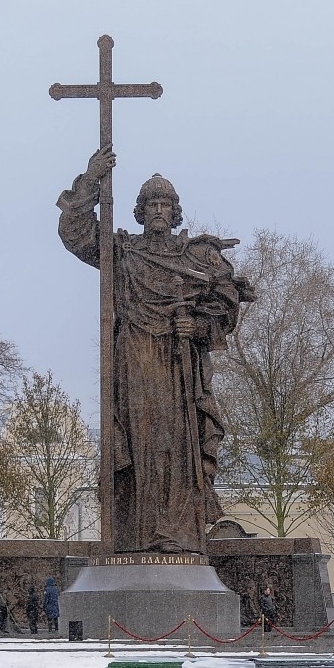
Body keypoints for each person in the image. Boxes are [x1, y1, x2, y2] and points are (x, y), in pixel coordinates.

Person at [58, 147, 255, 553]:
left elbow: (226, 307)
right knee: (139, 444)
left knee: (178, 446)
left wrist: (197, 326)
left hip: (177, 364)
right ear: (140, 211)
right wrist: (91, 179)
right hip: (134, 359)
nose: (158, 210)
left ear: (176, 211)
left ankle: (176, 534)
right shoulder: (124, 253)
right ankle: (134, 534)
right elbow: (76, 234)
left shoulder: (195, 257)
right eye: (151, 204)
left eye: (165, 203)